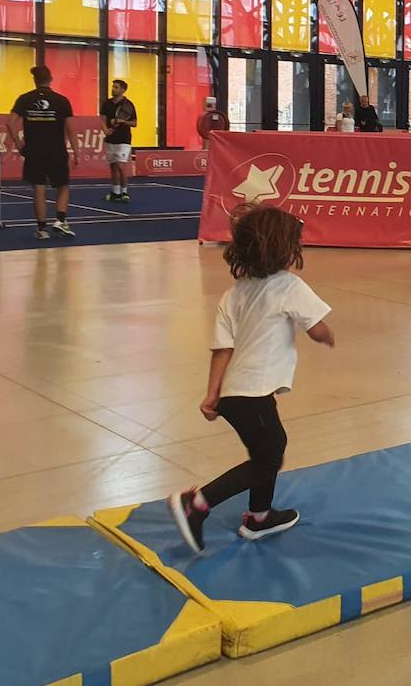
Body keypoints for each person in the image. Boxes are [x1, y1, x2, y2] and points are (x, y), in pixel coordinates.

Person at [169, 205, 335, 554]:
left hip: (235, 394)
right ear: (285, 250)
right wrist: (324, 335)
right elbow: (316, 326)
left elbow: (222, 349)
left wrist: (212, 395)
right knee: (269, 455)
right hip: (253, 393)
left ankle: (259, 517)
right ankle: (197, 503)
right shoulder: (289, 286)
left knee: (266, 450)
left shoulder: (235, 294)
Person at [7, 65, 78, 241]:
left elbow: (10, 123)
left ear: (34, 80)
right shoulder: (61, 100)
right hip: (57, 151)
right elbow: (70, 129)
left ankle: (42, 229)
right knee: (62, 186)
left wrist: (19, 144)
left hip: (33, 151)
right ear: (51, 79)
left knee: (39, 188)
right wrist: (76, 151)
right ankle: (60, 221)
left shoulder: (24, 99)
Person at [101, 78, 137, 204]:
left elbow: (134, 123)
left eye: (116, 87)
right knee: (113, 166)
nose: (113, 89)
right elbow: (103, 119)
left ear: (123, 90)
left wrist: (123, 121)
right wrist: (105, 130)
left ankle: (125, 192)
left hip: (124, 139)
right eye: (113, 87)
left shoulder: (128, 105)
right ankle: (115, 193)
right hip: (111, 139)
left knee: (121, 166)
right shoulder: (106, 104)